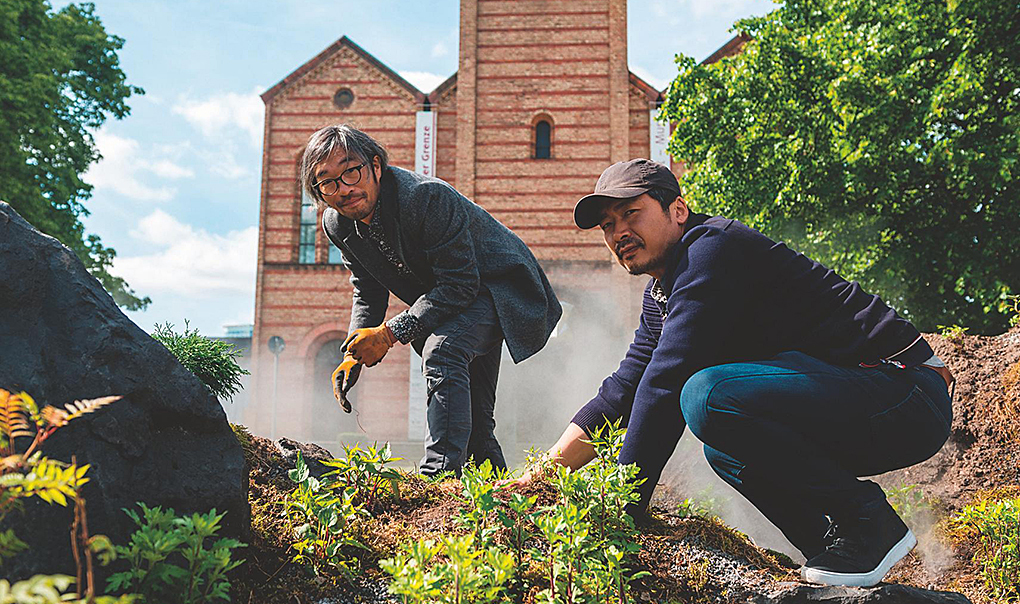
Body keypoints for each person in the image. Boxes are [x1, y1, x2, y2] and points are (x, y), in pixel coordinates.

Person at [522, 158, 954, 588]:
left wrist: (621, 506)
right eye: (607, 225)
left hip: (904, 393)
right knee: (725, 450)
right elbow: (625, 390)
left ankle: (868, 523)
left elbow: (666, 383)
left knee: (706, 397)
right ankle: (836, 553)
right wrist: (538, 478)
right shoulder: (662, 295)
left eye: (631, 213)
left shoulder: (711, 249)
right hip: (862, 401)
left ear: (677, 210)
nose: (619, 233)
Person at [300, 124, 561, 476]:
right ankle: (503, 505)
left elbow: (461, 284)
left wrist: (389, 334)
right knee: (475, 420)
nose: (343, 189)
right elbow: (367, 286)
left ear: (376, 167)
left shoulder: (425, 198)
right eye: (327, 182)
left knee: (443, 351)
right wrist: (353, 353)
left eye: (350, 171)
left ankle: (436, 478)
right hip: (452, 302)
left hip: (500, 288)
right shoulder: (337, 223)